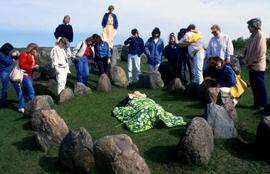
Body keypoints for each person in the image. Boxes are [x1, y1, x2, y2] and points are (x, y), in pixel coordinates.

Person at [244, 18, 268, 110]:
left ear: (254, 26)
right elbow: (247, 49)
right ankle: (257, 104)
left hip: (258, 65)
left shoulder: (260, 35)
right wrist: (247, 60)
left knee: (260, 86)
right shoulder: (252, 36)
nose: (248, 28)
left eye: (249, 26)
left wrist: (251, 62)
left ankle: (264, 105)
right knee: (254, 86)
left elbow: (260, 52)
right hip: (251, 65)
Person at [0, 43, 25, 112]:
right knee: (5, 88)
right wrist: (12, 56)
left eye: (10, 51)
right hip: (4, 72)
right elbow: (7, 62)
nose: (9, 52)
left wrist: (17, 55)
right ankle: (4, 102)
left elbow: (15, 58)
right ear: (5, 49)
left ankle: (22, 105)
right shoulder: (0, 54)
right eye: (8, 50)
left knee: (17, 86)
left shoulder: (8, 53)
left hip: (12, 72)